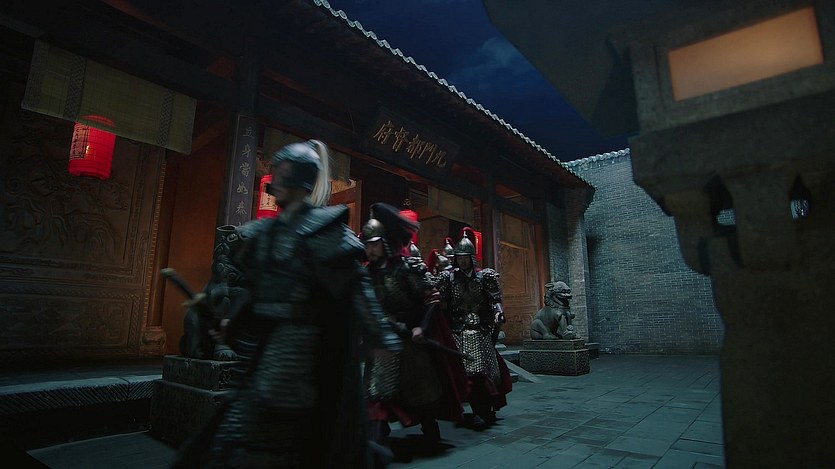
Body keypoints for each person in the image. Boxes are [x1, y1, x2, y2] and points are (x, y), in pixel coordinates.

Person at [175, 140, 402, 468]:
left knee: (270, 429)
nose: (275, 181)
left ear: (298, 180)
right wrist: (231, 321)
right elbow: (254, 289)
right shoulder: (267, 232)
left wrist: (379, 333)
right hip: (261, 342)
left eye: (281, 175)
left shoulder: (324, 231)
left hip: (295, 346)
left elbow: (355, 286)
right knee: (236, 427)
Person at [361, 203, 466, 456]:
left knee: (420, 392)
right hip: (382, 342)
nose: (369, 249)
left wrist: (422, 327)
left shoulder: (407, 268)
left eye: (374, 244)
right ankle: (377, 439)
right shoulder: (367, 274)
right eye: (367, 244)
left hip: (409, 339)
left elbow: (432, 298)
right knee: (377, 392)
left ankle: (430, 430)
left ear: (385, 243)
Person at [436, 232, 512, 429]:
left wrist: (498, 312)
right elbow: (438, 300)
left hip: (481, 329)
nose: (462, 261)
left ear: (472, 257)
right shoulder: (449, 278)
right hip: (458, 330)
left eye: (465, 257)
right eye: (459, 257)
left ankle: (485, 408)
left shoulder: (485, 277)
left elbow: (495, 300)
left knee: (486, 371)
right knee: (464, 372)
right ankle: (469, 409)